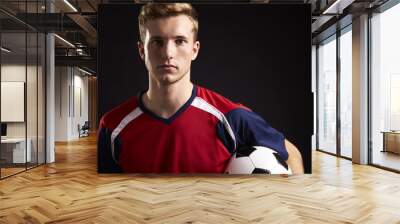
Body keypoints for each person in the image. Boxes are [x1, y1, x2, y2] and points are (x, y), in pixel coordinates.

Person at [98, 3, 304, 174]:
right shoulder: (112, 126)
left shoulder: (230, 117)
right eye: (157, 42)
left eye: (179, 41)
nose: (168, 52)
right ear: (142, 50)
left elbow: (292, 155)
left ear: (194, 50)